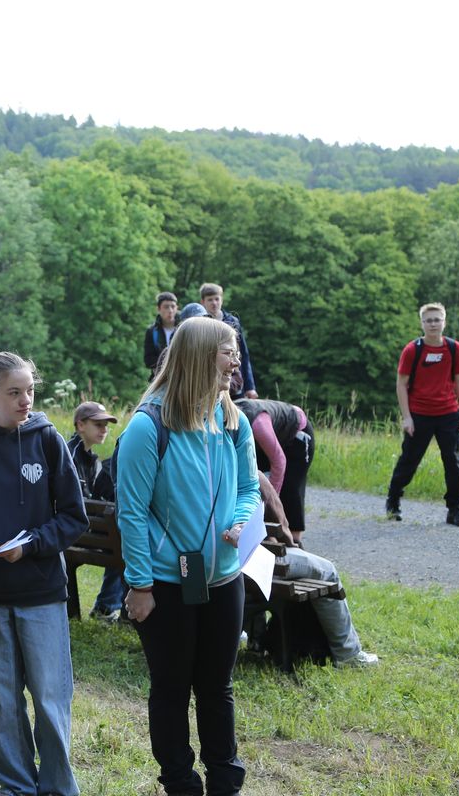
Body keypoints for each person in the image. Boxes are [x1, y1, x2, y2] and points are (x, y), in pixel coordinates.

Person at [116, 315, 261, 796]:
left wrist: (240, 519)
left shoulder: (233, 418)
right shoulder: (147, 425)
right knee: (172, 689)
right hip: (164, 585)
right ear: (198, 354)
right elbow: (132, 514)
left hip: (223, 579)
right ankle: (179, 782)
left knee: (217, 689)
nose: (235, 360)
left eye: (235, 350)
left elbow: (247, 488)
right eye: (227, 350)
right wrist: (139, 586)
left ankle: (225, 781)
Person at [0, 351, 87, 796]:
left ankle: (57, 788)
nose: (25, 400)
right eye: (14, 393)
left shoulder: (48, 441)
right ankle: (15, 787)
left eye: (30, 391)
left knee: (50, 700)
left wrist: (29, 546)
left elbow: (73, 517)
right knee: (0, 701)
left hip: (42, 592)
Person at [252, 472, 379, 667]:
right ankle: (348, 653)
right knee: (328, 570)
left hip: (227, 566)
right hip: (261, 561)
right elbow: (280, 522)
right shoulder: (251, 471)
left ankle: (253, 636)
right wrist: (292, 544)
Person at [385, 303, 459, 528]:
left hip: (449, 414)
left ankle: (455, 509)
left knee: (453, 461)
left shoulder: (453, 348)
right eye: (428, 320)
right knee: (409, 460)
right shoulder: (413, 350)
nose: (433, 324)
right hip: (419, 415)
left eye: (437, 319)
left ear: (444, 322)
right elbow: (401, 385)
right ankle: (393, 501)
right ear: (422, 323)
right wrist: (407, 417)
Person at [67, 401, 122, 622]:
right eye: (98, 424)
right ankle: (107, 607)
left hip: (85, 534)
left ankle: (107, 605)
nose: (104, 430)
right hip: (76, 535)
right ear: (80, 425)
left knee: (119, 540)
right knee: (125, 543)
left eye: (106, 425)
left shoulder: (94, 463)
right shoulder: (68, 455)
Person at [233, 397, 313, 545]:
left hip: (297, 436)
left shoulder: (258, 424)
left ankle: (295, 542)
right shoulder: (230, 421)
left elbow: (279, 462)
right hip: (267, 440)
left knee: (291, 490)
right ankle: (270, 540)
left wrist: (272, 502)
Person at [199, 282, 257, 398]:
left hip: (233, 377)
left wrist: (250, 387)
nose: (214, 303)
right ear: (203, 302)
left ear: (222, 299)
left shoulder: (233, 321)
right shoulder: (200, 322)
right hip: (209, 379)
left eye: (217, 299)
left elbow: (244, 354)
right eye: (210, 300)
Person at [144, 291, 179, 377]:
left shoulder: (183, 328)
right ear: (159, 309)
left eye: (173, 306)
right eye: (166, 307)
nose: (170, 310)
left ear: (177, 308)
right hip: (159, 377)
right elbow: (148, 360)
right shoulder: (152, 331)